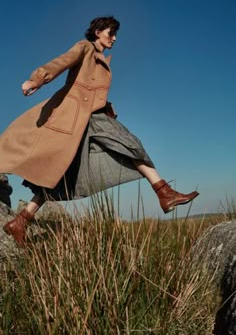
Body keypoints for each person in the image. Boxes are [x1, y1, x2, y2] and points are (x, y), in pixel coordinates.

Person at [0, 16, 199, 247]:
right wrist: (36, 79)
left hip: (90, 118)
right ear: (97, 32)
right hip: (82, 117)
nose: (114, 38)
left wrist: (107, 108)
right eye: (110, 33)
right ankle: (164, 192)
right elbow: (62, 62)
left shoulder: (102, 58)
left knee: (61, 174)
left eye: (115, 35)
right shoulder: (85, 48)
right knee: (130, 143)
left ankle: (20, 222)